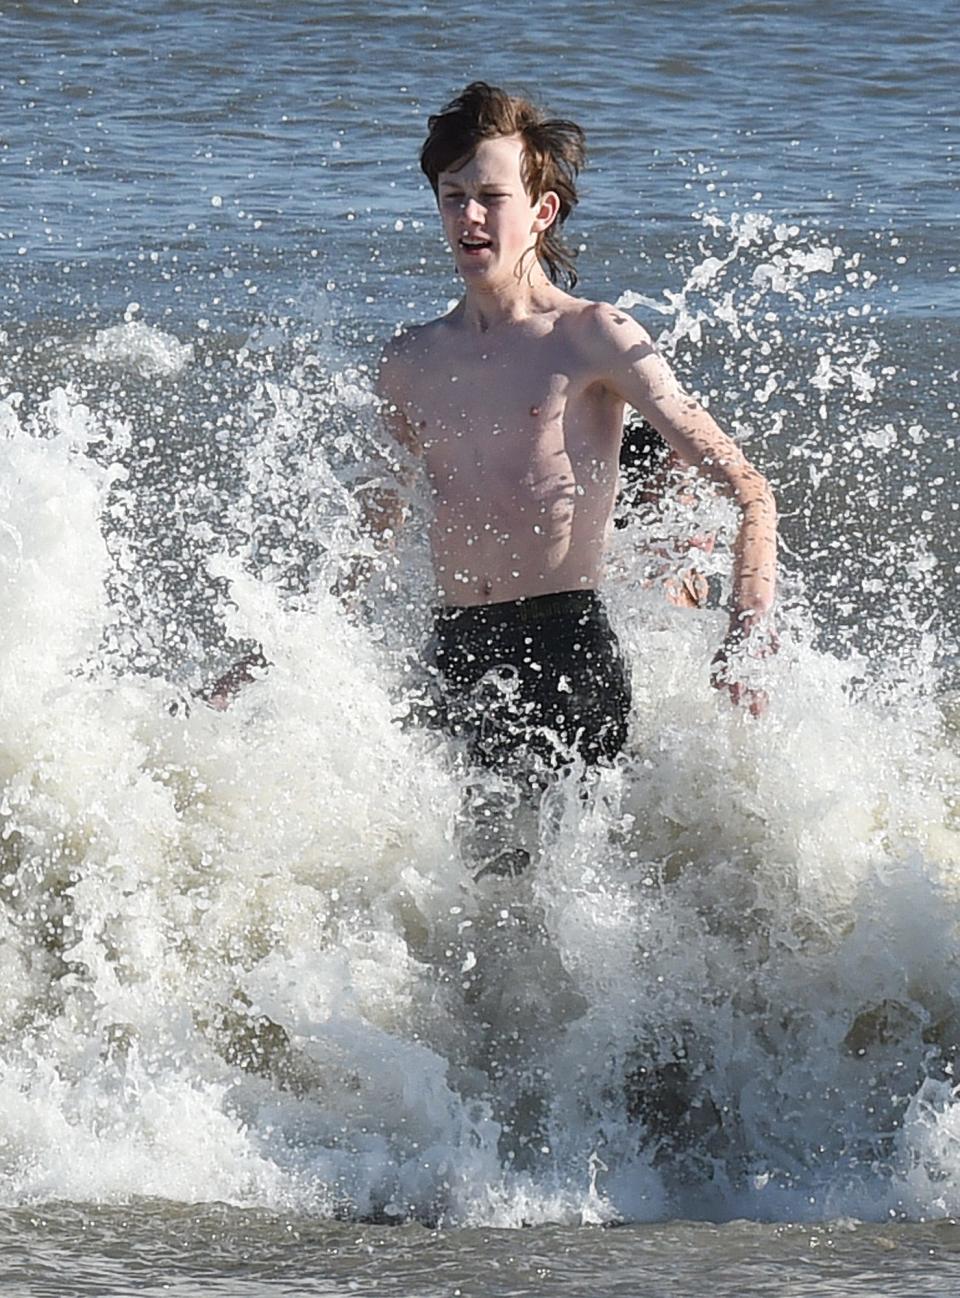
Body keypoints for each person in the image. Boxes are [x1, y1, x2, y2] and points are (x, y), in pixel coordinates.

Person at [371, 81, 777, 780]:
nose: (469, 215)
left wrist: (745, 628)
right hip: (452, 654)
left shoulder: (594, 338)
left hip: (567, 652)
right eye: (451, 195)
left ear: (540, 212)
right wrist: (266, 658)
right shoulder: (409, 363)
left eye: (491, 197)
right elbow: (361, 542)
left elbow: (748, 489)